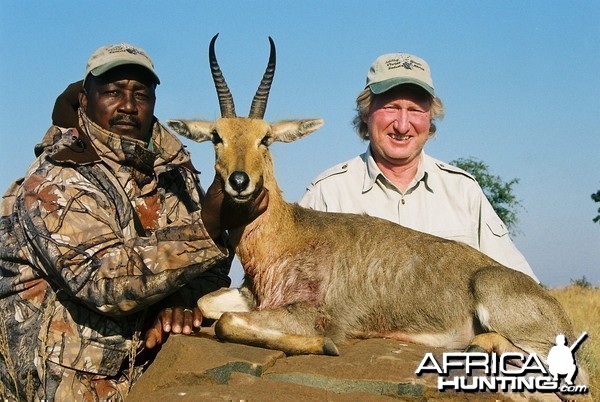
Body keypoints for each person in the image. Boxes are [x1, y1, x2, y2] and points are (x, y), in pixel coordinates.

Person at [0, 43, 268, 401]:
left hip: (150, 382)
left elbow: (211, 266)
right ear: (84, 99)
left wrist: (183, 303)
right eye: (112, 91)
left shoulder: (174, 174)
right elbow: (102, 282)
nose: (127, 104)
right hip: (60, 390)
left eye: (140, 93)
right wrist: (206, 226)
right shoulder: (54, 182)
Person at [299, 52, 537, 281]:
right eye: (391, 107)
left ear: (430, 118)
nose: (402, 126)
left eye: (415, 110)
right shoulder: (327, 193)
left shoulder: (463, 191)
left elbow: (520, 288)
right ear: (365, 113)